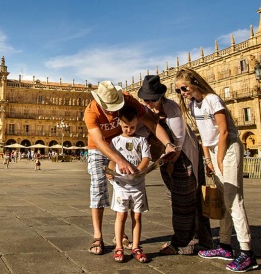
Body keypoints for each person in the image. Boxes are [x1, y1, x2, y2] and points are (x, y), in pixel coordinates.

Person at [175, 68, 258, 272]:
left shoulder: (213, 99)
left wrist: (219, 157)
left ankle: (247, 254)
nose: (182, 93)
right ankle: (225, 246)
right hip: (213, 151)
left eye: (183, 88)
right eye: (178, 91)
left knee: (234, 200)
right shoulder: (194, 105)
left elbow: (224, 131)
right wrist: (208, 159)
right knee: (223, 200)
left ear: (194, 83)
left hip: (228, 147)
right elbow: (203, 134)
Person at [84, 81, 175, 255]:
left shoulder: (128, 100)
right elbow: (99, 141)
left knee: (123, 191)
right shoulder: (91, 111)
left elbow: (152, 124)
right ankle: (98, 236)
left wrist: (168, 144)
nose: (111, 111)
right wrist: (119, 161)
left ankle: (121, 235)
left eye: (114, 106)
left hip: (121, 145)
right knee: (97, 188)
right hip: (98, 148)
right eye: (108, 107)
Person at [137, 75, 213, 255]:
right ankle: (203, 240)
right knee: (184, 199)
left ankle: (183, 243)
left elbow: (177, 143)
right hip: (167, 158)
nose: (149, 103)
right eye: (145, 99)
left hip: (183, 156)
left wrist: (169, 165)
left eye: (153, 99)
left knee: (184, 201)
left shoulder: (171, 108)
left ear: (161, 96)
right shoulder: (147, 109)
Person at [108, 106, 150, 263]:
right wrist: (110, 172)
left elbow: (146, 158)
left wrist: (138, 170)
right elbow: (112, 159)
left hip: (137, 184)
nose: (129, 129)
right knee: (121, 215)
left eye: (132, 126)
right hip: (121, 185)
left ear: (137, 123)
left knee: (137, 216)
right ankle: (119, 246)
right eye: (126, 126)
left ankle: (136, 247)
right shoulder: (116, 141)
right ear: (120, 124)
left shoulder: (141, 140)